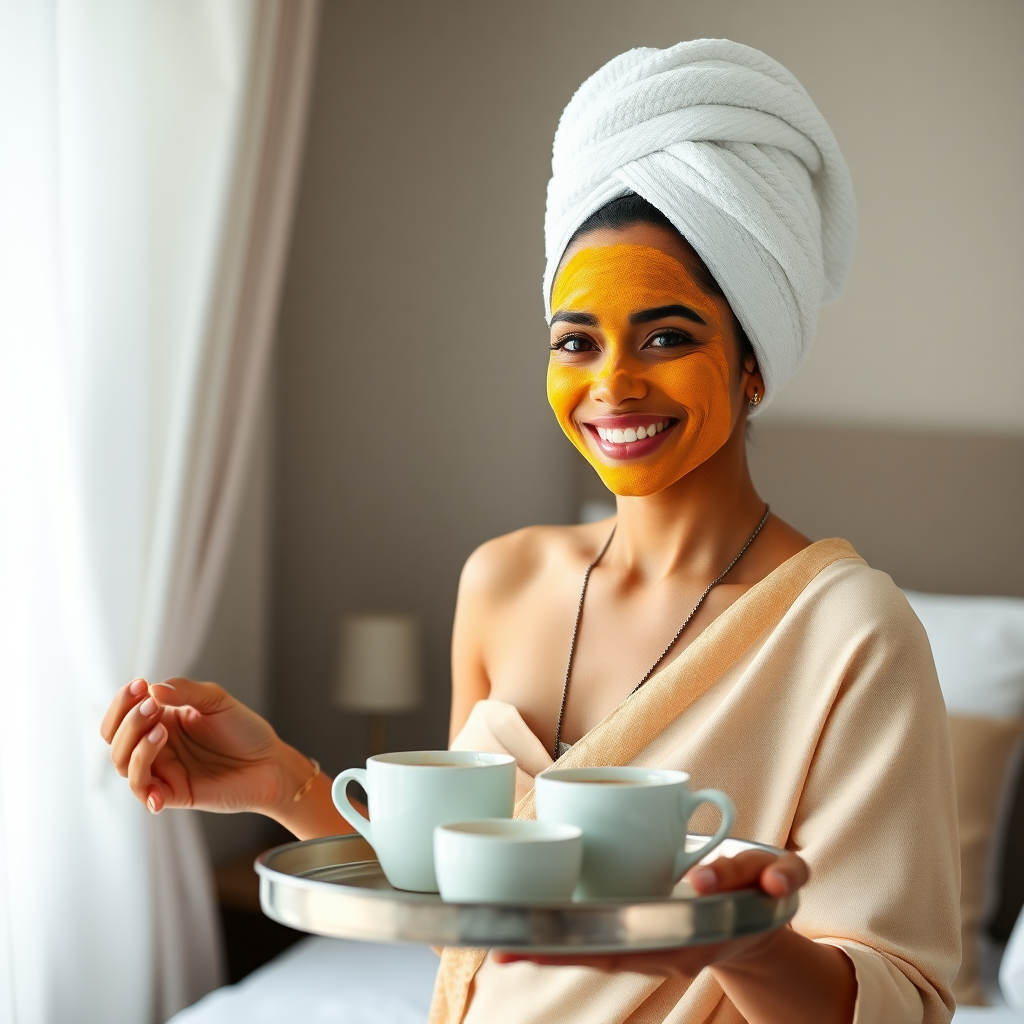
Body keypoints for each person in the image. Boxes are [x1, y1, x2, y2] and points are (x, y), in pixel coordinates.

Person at [101, 39, 959, 1024]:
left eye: (668, 336)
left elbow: (904, 1004)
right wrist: (288, 782)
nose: (613, 383)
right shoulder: (501, 582)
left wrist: (741, 947)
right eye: (575, 341)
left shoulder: (851, 632)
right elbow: (474, 921)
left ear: (752, 360)